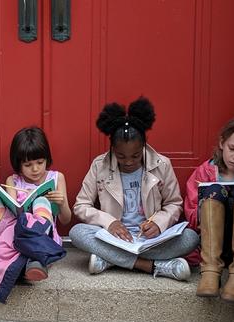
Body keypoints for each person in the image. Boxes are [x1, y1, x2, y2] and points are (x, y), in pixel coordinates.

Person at [69, 98, 198, 280]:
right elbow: (81, 205)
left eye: (135, 156)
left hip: (151, 239)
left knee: (191, 237)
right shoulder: (100, 165)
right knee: (77, 233)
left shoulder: (162, 164)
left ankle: (111, 259)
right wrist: (109, 222)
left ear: (144, 145)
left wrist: (158, 224)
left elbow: (173, 204)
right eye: (121, 156)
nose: (129, 162)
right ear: (112, 148)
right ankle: (151, 265)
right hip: (114, 239)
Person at [0, 127, 71, 300]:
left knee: (41, 202)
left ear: (47, 158)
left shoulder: (56, 178)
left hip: (44, 235)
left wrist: (61, 204)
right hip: (17, 230)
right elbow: (12, 210)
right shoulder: (13, 181)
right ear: (18, 164)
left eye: (40, 162)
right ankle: (29, 264)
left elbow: (66, 219)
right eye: (28, 165)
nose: (35, 169)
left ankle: (29, 263)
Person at [184, 115, 234, 301]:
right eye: (232, 149)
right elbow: (191, 218)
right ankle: (210, 270)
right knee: (213, 190)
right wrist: (210, 199)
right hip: (209, 244)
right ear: (221, 143)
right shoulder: (205, 172)